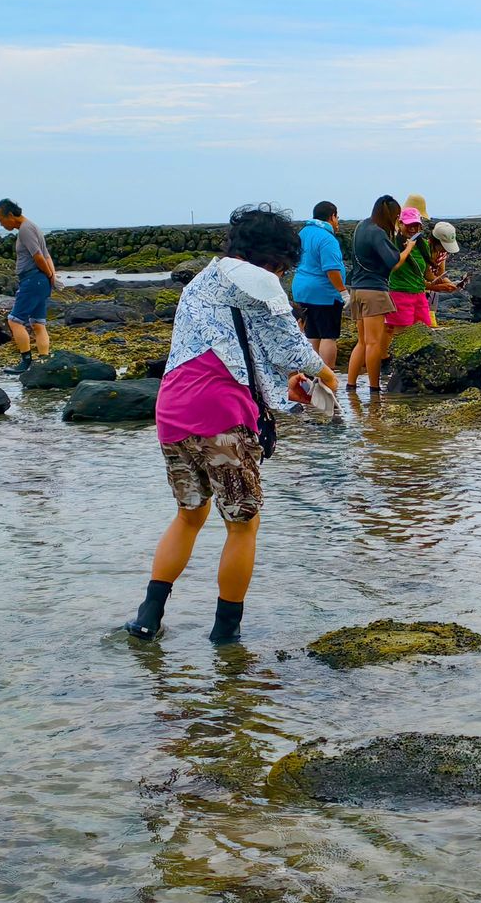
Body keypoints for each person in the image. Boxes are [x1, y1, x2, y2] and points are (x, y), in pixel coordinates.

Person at [124, 205, 337, 645]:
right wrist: (330, 381)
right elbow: (294, 349)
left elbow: (232, 347)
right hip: (219, 413)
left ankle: (148, 617)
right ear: (274, 256)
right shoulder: (259, 279)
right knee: (242, 524)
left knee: (189, 515)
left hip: (172, 408)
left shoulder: (201, 282)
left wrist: (280, 390)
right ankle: (226, 634)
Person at [0, 198, 57, 375]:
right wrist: (51, 278)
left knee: (14, 320)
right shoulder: (33, 226)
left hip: (33, 280)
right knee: (38, 323)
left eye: (1, 220)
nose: (1, 224)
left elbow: (38, 257)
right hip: (40, 281)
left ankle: (25, 362)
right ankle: (43, 362)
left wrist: (49, 275)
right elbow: (47, 256)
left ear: (11, 215)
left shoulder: (25, 230)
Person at [345, 195, 401, 393]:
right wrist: (409, 247)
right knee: (373, 343)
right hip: (374, 292)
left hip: (357, 290)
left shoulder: (361, 226)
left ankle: (351, 385)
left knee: (362, 341)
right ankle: (374, 388)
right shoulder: (378, 232)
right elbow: (393, 261)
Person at [291, 201, 346, 367]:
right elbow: (332, 269)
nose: (337, 222)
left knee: (311, 334)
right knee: (328, 336)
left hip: (301, 291)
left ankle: (312, 375)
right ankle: (326, 378)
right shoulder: (327, 238)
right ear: (332, 216)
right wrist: (343, 291)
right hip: (324, 294)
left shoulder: (303, 233)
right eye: (337, 218)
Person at [386, 206, 435, 335]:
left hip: (419, 294)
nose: (413, 228)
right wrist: (408, 248)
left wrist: (447, 283)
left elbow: (426, 273)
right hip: (399, 294)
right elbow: (394, 265)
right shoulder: (393, 243)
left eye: (416, 225)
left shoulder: (423, 244)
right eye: (409, 225)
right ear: (400, 224)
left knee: (424, 333)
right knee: (401, 336)